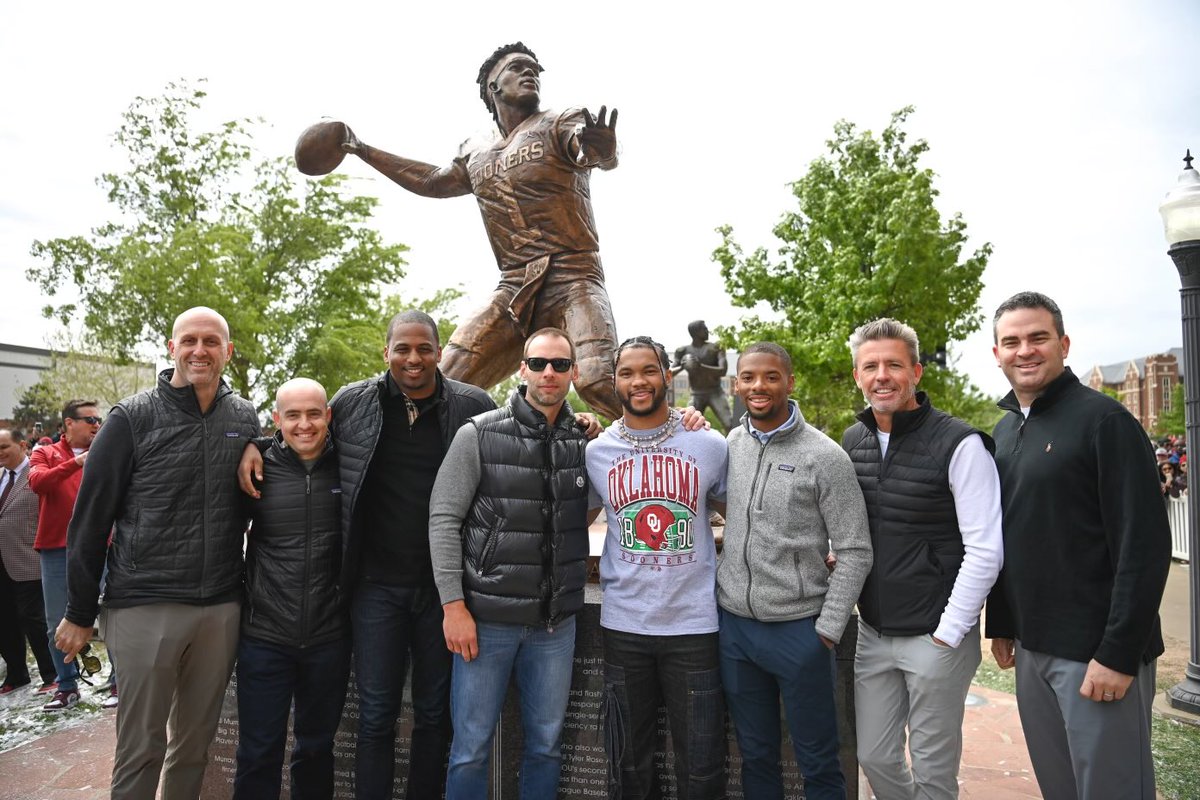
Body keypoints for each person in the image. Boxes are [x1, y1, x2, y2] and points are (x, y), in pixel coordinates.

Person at [239, 309, 496, 799]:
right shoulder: (354, 402)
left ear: (440, 353)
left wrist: (579, 423)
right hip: (375, 588)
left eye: (424, 348)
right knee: (376, 715)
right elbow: (306, 434)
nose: (413, 358)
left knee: (434, 713)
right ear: (387, 353)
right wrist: (256, 443)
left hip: (444, 589)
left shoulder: (472, 405)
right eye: (402, 348)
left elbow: (512, 444)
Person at [338, 42, 622, 418]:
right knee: (441, 379)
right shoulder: (476, 148)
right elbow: (432, 181)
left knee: (597, 379)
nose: (530, 72)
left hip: (573, 275)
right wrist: (363, 149)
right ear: (493, 86)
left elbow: (589, 152)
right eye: (518, 67)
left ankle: (671, 442)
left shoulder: (560, 121)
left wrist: (604, 151)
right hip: (515, 284)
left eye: (535, 68)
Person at [55, 306, 261, 800]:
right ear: (172, 349)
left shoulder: (243, 415)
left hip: (219, 606)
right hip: (144, 603)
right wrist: (80, 612)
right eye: (188, 340)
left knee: (195, 748)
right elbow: (89, 522)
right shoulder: (132, 417)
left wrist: (258, 444)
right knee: (141, 748)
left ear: (228, 352)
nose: (199, 350)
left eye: (212, 341)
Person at [986, 291, 1171, 799]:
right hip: (1031, 648)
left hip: (1096, 657)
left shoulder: (1105, 422)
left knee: (1112, 791)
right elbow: (1006, 534)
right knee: (1060, 790)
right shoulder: (1003, 432)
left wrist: (1118, 652)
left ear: (1063, 344)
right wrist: (1001, 623)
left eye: (1038, 337)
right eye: (1012, 341)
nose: (1025, 350)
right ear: (996, 353)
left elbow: (1145, 545)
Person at [840, 318, 1003, 799]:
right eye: (870, 366)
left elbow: (986, 548)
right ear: (857, 376)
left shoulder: (961, 444)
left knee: (933, 771)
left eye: (893, 364)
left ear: (916, 372)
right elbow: (860, 528)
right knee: (874, 757)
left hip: (937, 636)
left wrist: (949, 631)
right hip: (873, 631)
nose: (881, 376)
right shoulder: (854, 440)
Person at [429, 327, 589, 799]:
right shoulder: (478, 434)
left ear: (574, 374)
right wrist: (453, 606)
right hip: (487, 624)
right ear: (523, 369)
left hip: (554, 627)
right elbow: (443, 521)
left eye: (560, 365)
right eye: (539, 363)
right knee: (471, 748)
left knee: (546, 746)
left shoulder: (582, 442)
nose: (549, 373)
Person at [718, 342, 872, 800]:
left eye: (770, 377)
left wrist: (826, 629)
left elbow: (855, 549)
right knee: (756, 755)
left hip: (799, 632)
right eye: (748, 377)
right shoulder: (731, 444)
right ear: (737, 383)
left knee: (818, 760)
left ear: (789, 382)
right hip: (737, 631)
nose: (758, 386)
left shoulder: (824, 456)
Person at [587, 336, 729, 799]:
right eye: (627, 373)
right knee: (628, 764)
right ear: (614, 383)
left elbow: (745, 515)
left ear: (667, 375)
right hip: (624, 626)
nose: (638, 381)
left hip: (694, 627)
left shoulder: (708, 444)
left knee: (702, 765)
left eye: (648, 370)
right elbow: (570, 519)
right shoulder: (596, 452)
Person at [234, 378, 349, 800]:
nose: (305, 425)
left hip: (328, 636)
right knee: (258, 752)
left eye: (314, 413)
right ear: (276, 420)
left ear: (328, 417)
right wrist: (251, 443)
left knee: (316, 749)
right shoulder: (256, 466)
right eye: (293, 416)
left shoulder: (349, 466)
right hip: (265, 636)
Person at [28, 399, 115, 710]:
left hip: (100, 546)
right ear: (68, 424)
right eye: (89, 419)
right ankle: (67, 687)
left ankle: (119, 682)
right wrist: (77, 463)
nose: (96, 425)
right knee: (55, 622)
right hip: (56, 548)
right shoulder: (44, 451)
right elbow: (37, 482)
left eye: (99, 419)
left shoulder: (107, 450)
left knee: (114, 614)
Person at [0, 428, 58, 697]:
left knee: (34, 619)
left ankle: (52, 675)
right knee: (5, 620)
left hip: (29, 559)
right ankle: (17, 674)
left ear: (22, 445)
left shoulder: (35, 476)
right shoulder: (0, 477)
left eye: (3, 447)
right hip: (3, 562)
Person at [671, 320, 734, 433]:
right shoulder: (683, 351)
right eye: (704, 329)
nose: (707, 331)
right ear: (696, 332)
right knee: (685, 425)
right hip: (697, 394)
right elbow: (669, 373)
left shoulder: (715, 348)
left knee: (729, 424)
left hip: (715, 392)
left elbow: (723, 371)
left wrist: (700, 366)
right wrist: (682, 366)